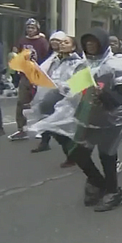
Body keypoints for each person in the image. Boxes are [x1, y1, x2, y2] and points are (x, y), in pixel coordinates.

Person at [69, 27, 122, 212]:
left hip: (111, 117)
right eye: (87, 42)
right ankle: (98, 182)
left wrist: (104, 94)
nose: (90, 45)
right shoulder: (82, 65)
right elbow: (73, 88)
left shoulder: (115, 65)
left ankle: (113, 192)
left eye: (94, 42)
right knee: (77, 152)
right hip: (86, 115)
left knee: (107, 155)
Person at [27, 35, 85, 168]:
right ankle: (73, 154)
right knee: (54, 128)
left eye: (66, 42)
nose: (62, 44)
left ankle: (74, 155)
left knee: (63, 128)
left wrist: (63, 86)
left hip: (67, 101)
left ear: (74, 46)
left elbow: (78, 85)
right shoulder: (55, 61)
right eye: (61, 42)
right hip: (52, 98)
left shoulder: (79, 63)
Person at [9, 18, 50, 141]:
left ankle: (40, 127)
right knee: (22, 102)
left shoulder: (42, 42)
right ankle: (22, 129)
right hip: (25, 75)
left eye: (32, 28)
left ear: (37, 29)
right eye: (28, 27)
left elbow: (47, 57)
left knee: (38, 102)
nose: (30, 30)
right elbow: (16, 54)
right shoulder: (22, 40)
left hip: (38, 75)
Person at [32, 31, 67, 153]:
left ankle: (70, 149)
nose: (55, 43)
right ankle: (45, 141)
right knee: (45, 114)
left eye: (58, 41)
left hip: (62, 92)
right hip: (47, 90)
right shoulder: (50, 56)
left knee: (60, 118)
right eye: (52, 40)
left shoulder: (68, 58)